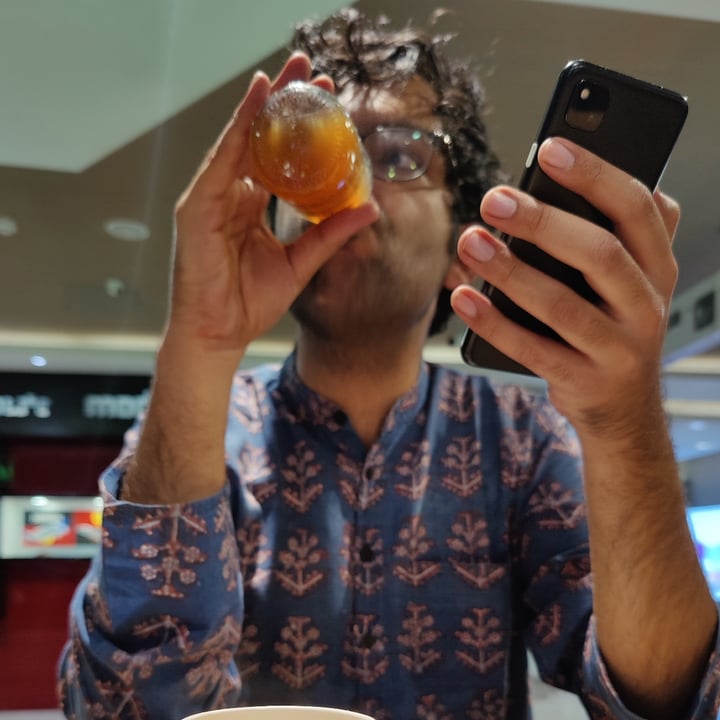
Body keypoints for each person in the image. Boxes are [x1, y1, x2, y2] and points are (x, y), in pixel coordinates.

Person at [59, 7, 720, 720]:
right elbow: (119, 707)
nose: (354, 181)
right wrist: (200, 341)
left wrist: (625, 424)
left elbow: (665, 701)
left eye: (401, 152)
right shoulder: (202, 432)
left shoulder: (525, 438)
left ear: (461, 246)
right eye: (317, 147)